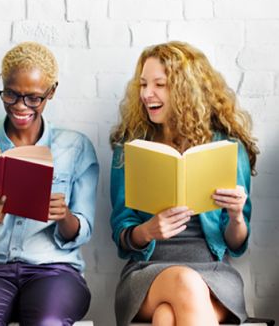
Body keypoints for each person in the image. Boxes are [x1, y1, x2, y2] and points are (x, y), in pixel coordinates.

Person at [109, 41, 259, 325]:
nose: (146, 94)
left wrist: (237, 216)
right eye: (142, 84)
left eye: (159, 84)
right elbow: (121, 234)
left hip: (213, 273)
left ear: (185, 89)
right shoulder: (130, 150)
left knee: (166, 316)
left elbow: (236, 245)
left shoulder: (228, 149)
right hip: (147, 272)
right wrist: (148, 230)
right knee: (184, 282)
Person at [0, 41, 97, 325]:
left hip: (54, 270)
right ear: (2, 86)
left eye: (33, 98)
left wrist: (64, 217)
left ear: (51, 91)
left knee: (48, 322)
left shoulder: (75, 147)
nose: (20, 106)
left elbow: (83, 230)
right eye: (11, 94)